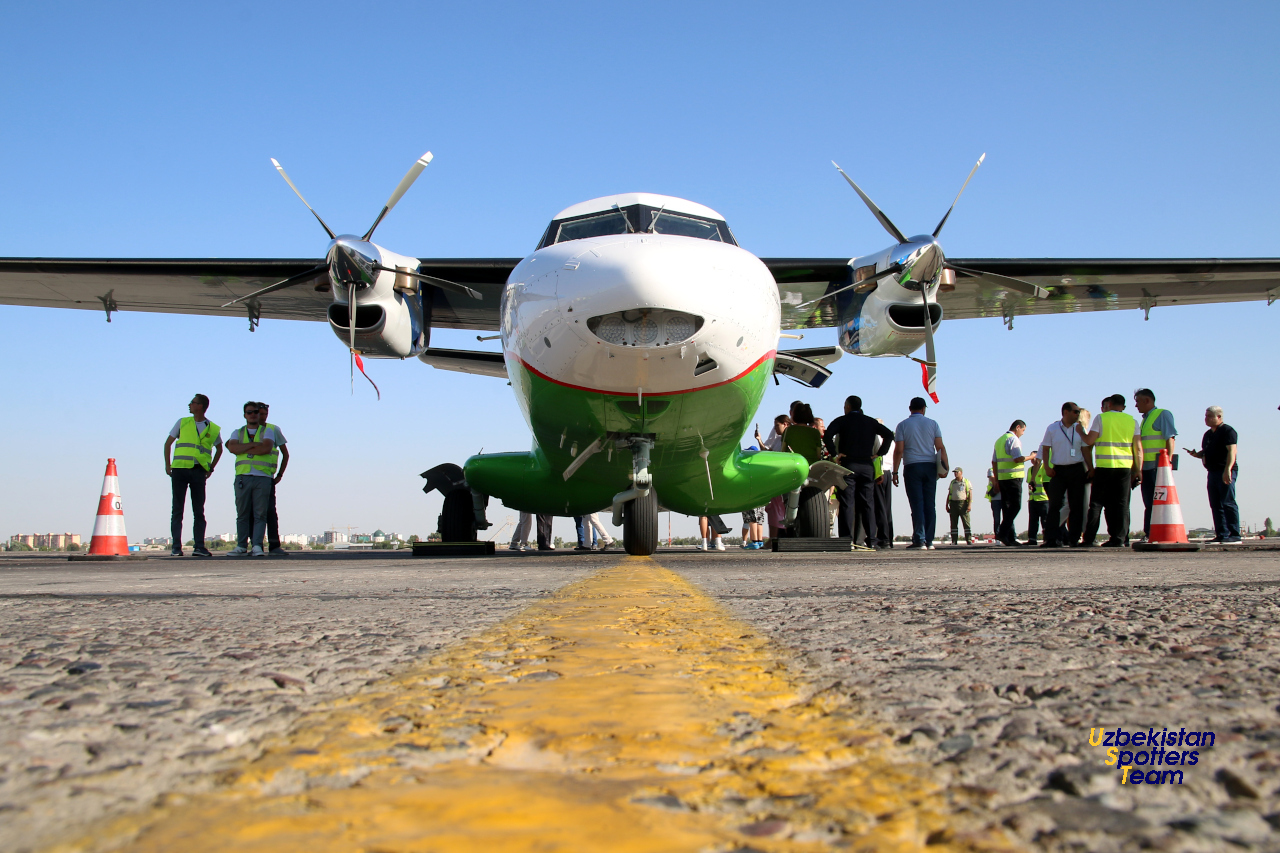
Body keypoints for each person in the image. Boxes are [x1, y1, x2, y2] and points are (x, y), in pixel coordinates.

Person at [824, 396, 896, 549]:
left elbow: (828, 434)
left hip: (848, 464)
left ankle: (846, 540)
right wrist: (879, 453)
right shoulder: (870, 421)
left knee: (847, 503)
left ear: (848, 406)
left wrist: (834, 453)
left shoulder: (842, 421)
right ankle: (871, 540)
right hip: (866, 465)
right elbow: (889, 435)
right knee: (868, 504)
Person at [163, 394, 223, 558]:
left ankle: (199, 546)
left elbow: (220, 448)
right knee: (177, 509)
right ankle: (176, 547)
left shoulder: (213, 428)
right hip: (180, 469)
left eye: (193, 402)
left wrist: (211, 468)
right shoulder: (182, 422)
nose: (189, 405)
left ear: (201, 406)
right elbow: (168, 443)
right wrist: (168, 465)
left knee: (198, 510)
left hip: (198, 471)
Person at [1081, 393, 1141, 547]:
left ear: (1109, 404)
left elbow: (1089, 441)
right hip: (1124, 468)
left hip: (1104, 467)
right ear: (1124, 407)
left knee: (1096, 504)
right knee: (1122, 504)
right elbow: (1138, 449)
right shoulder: (1132, 421)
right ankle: (1119, 539)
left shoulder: (1101, 418)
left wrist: (1080, 430)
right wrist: (1138, 470)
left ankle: (1088, 538)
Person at [891, 397, 948, 550]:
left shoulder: (902, 425)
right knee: (930, 504)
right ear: (924, 409)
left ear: (910, 409)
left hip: (912, 467)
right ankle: (929, 541)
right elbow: (940, 447)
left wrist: (895, 471)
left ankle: (919, 539)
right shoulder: (933, 424)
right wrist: (945, 467)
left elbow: (899, 450)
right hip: (930, 467)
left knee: (917, 504)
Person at [224, 402, 279, 557]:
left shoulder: (268, 432)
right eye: (250, 412)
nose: (253, 414)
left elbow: (266, 448)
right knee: (242, 513)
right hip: (243, 477)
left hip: (263, 477)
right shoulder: (237, 432)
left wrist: (245, 447)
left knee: (260, 514)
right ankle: (241, 545)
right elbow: (233, 448)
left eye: (256, 412)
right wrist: (255, 445)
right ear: (244, 415)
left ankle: (257, 546)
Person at [1038, 402, 1091, 547]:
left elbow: (1086, 449)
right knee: (1055, 505)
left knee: (1076, 506)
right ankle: (1051, 539)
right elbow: (1046, 447)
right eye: (1075, 412)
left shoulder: (1080, 429)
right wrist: (1047, 466)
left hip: (1077, 469)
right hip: (1059, 470)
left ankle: (1074, 538)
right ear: (1065, 412)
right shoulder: (1053, 428)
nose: (1078, 415)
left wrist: (1091, 468)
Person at [1185, 406, 1240, 543]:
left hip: (1225, 470)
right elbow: (1206, 452)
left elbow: (1232, 452)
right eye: (1206, 416)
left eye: (1210, 416)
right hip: (1212, 471)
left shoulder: (1228, 431)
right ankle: (1222, 534)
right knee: (1215, 504)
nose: (1206, 419)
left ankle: (1235, 534)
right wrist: (1196, 454)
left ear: (1219, 417)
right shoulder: (1208, 435)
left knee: (1228, 502)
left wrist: (1228, 469)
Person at [1134, 389, 1177, 541]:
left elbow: (1170, 438)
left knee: (1155, 503)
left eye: (1138, 401)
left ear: (1147, 400)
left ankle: (1152, 533)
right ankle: (1150, 533)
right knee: (1149, 503)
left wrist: (1167, 463)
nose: (1136, 405)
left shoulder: (1162, 414)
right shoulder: (1146, 419)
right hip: (1146, 467)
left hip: (1156, 467)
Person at [992, 420, 1037, 545]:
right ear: (1018, 427)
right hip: (1013, 477)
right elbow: (1017, 458)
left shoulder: (999, 440)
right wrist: (1031, 457)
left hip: (1002, 478)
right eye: (1023, 430)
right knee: (1016, 506)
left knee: (1007, 509)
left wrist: (996, 479)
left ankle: (1009, 538)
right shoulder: (1013, 439)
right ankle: (1002, 533)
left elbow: (994, 462)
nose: (1022, 433)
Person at [255, 402, 290, 557]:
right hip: (249, 476)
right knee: (251, 513)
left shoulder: (273, 430)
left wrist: (280, 475)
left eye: (264, 414)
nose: (262, 417)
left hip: (267, 477)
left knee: (270, 512)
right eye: (260, 414)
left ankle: (274, 544)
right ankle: (255, 544)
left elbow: (285, 454)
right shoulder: (247, 431)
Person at [872, 419, 893, 548]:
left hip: (878, 471)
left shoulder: (876, 438)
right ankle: (889, 537)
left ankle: (882, 537)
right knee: (887, 507)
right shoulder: (891, 441)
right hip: (888, 472)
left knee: (878, 506)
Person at [946, 467, 973, 545]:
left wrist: (969, 505)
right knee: (953, 523)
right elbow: (949, 493)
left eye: (957, 472)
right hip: (953, 504)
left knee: (966, 522)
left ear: (961, 472)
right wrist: (947, 504)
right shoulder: (952, 482)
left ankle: (969, 539)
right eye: (954, 472)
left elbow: (970, 494)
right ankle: (954, 540)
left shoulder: (966, 482)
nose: (955, 473)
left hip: (963, 503)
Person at [1026, 459, 1049, 545]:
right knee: (1033, 520)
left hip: (1044, 499)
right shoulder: (1030, 470)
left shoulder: (1044, 468)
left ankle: (1047, 538)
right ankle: (1032, 539)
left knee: (1045, 521)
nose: (1033, 460)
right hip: (1033, 498)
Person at [985, 468, 1002, 541]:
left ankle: (1010, 537)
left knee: (1008, 518)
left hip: (1004, 498)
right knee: (997, 519)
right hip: (995, 498)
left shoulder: (1004, 469)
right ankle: (998, 537)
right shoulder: (991, 470)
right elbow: (993, 479)